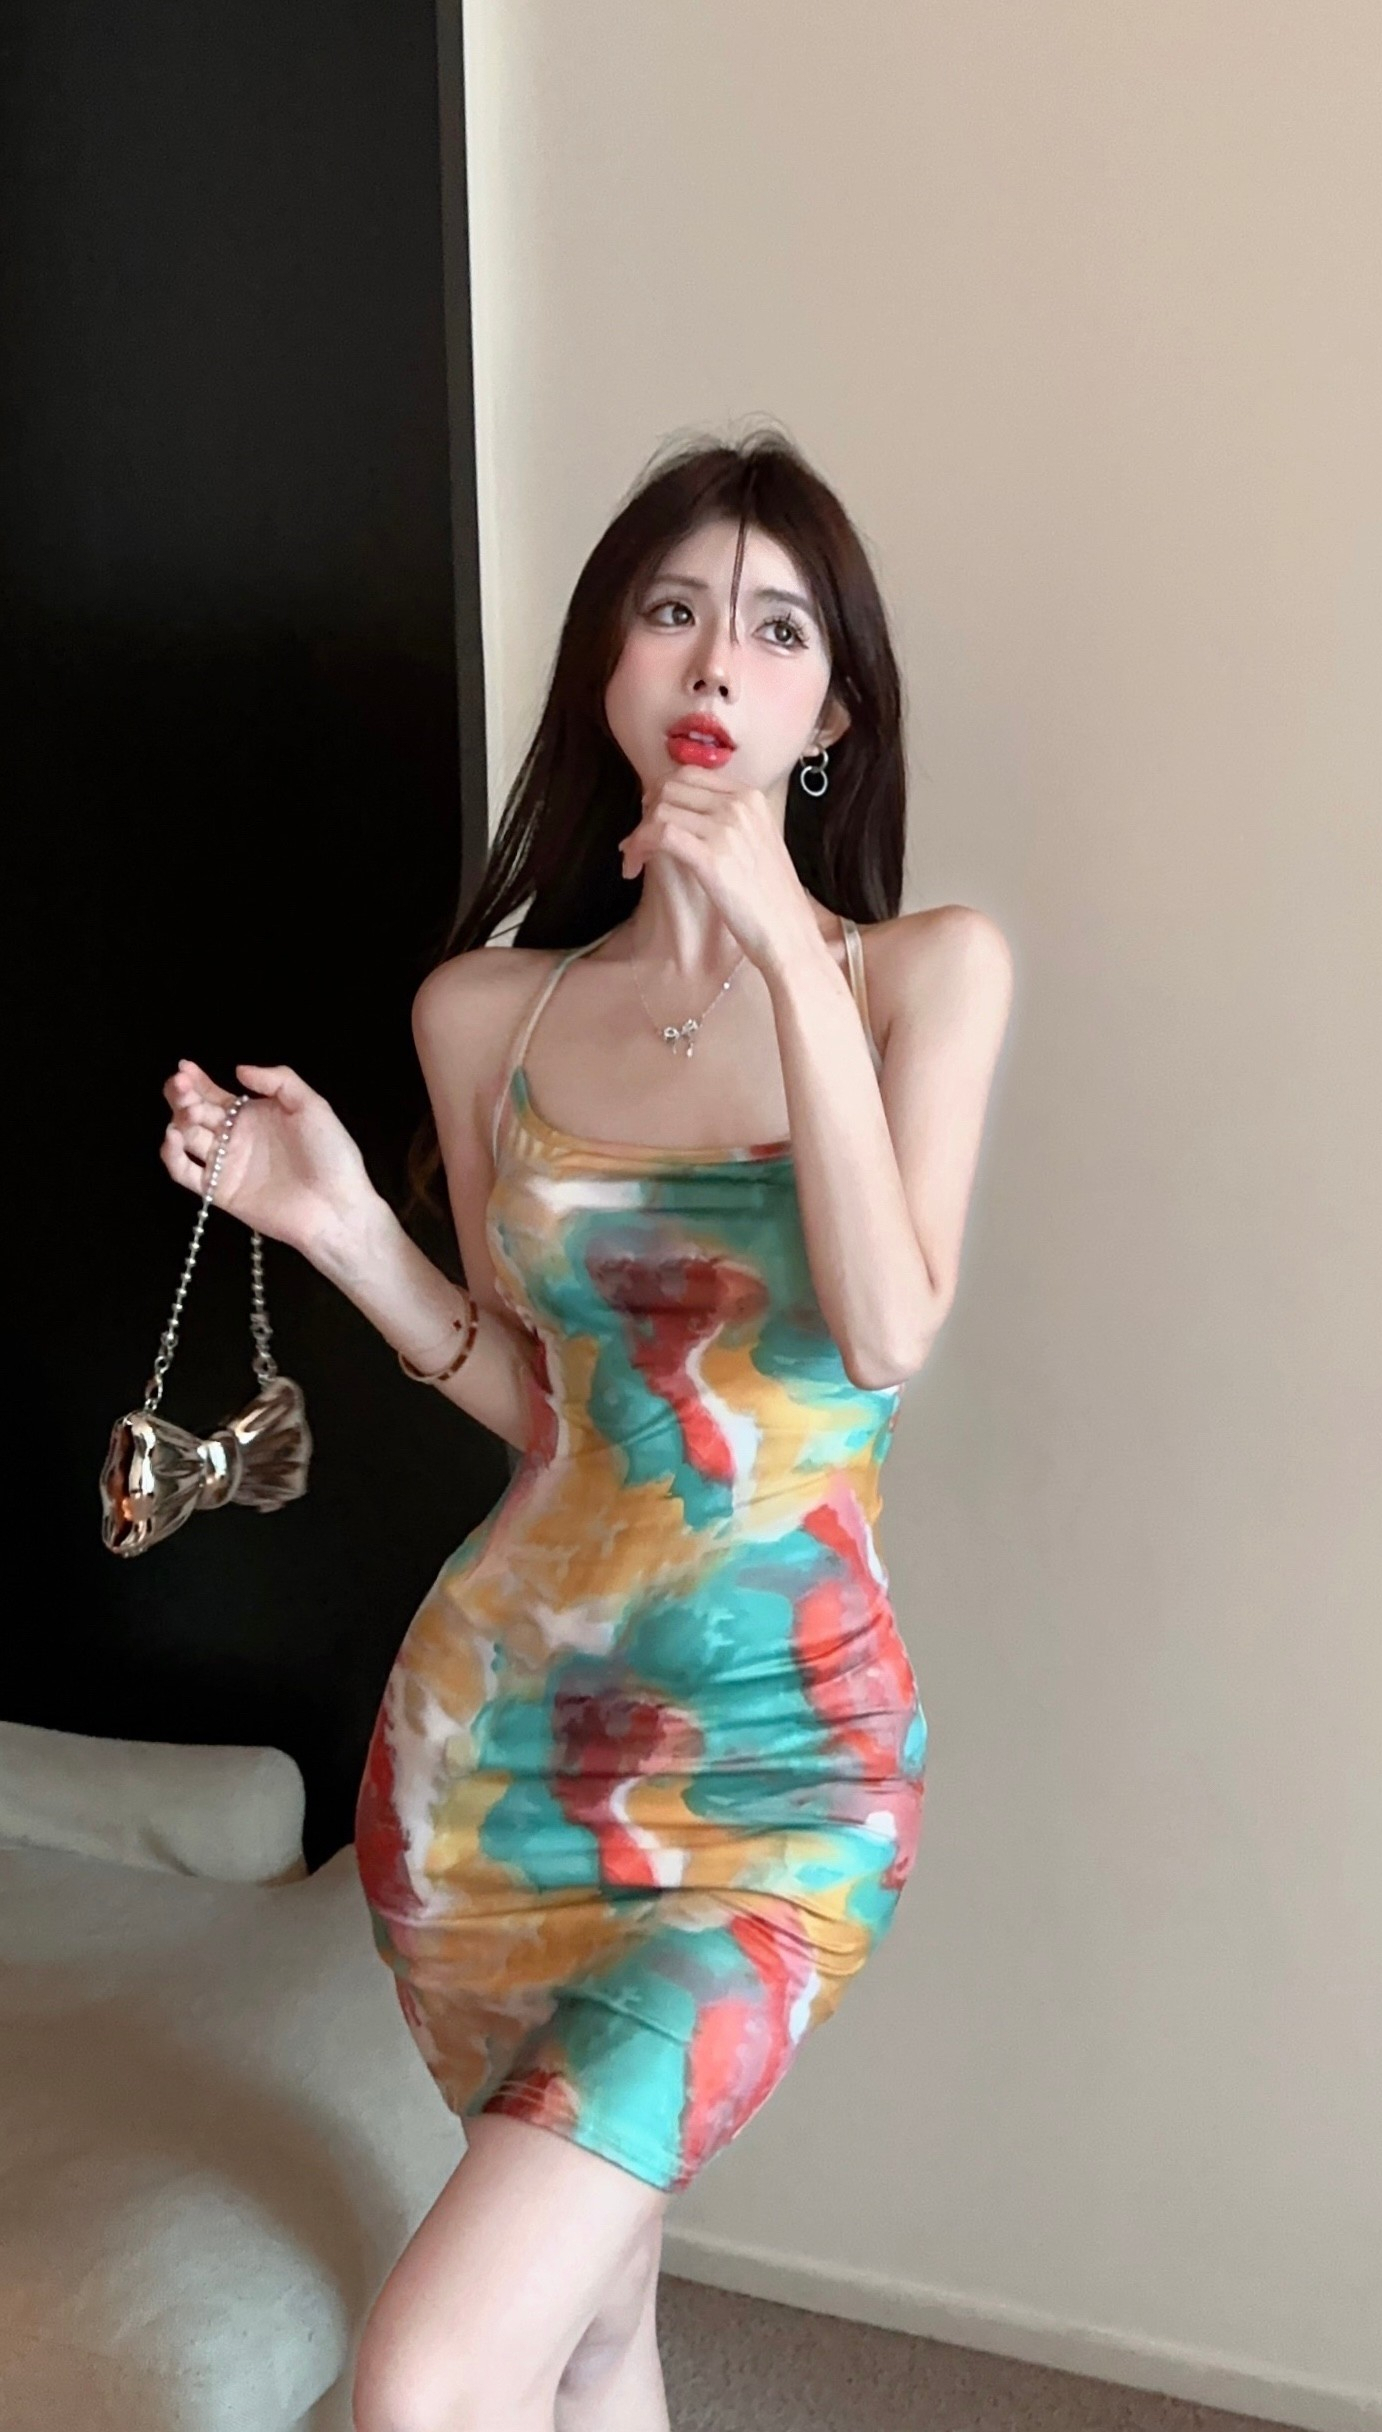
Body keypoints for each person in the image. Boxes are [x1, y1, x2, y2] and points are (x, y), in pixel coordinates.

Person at [157, 430, 1014, 2432]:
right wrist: (337, 1226)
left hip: (780, 1768)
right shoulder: (490, 1014)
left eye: (777, 628)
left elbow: (887, 1328)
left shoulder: (924, 977)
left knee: (427, 2373)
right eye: (674, 608)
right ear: (611, 668)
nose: (719, 657)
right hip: (489, 1767)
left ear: (832, 713)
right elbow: (545, 1407)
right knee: (592, 2329)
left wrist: (780, 943)